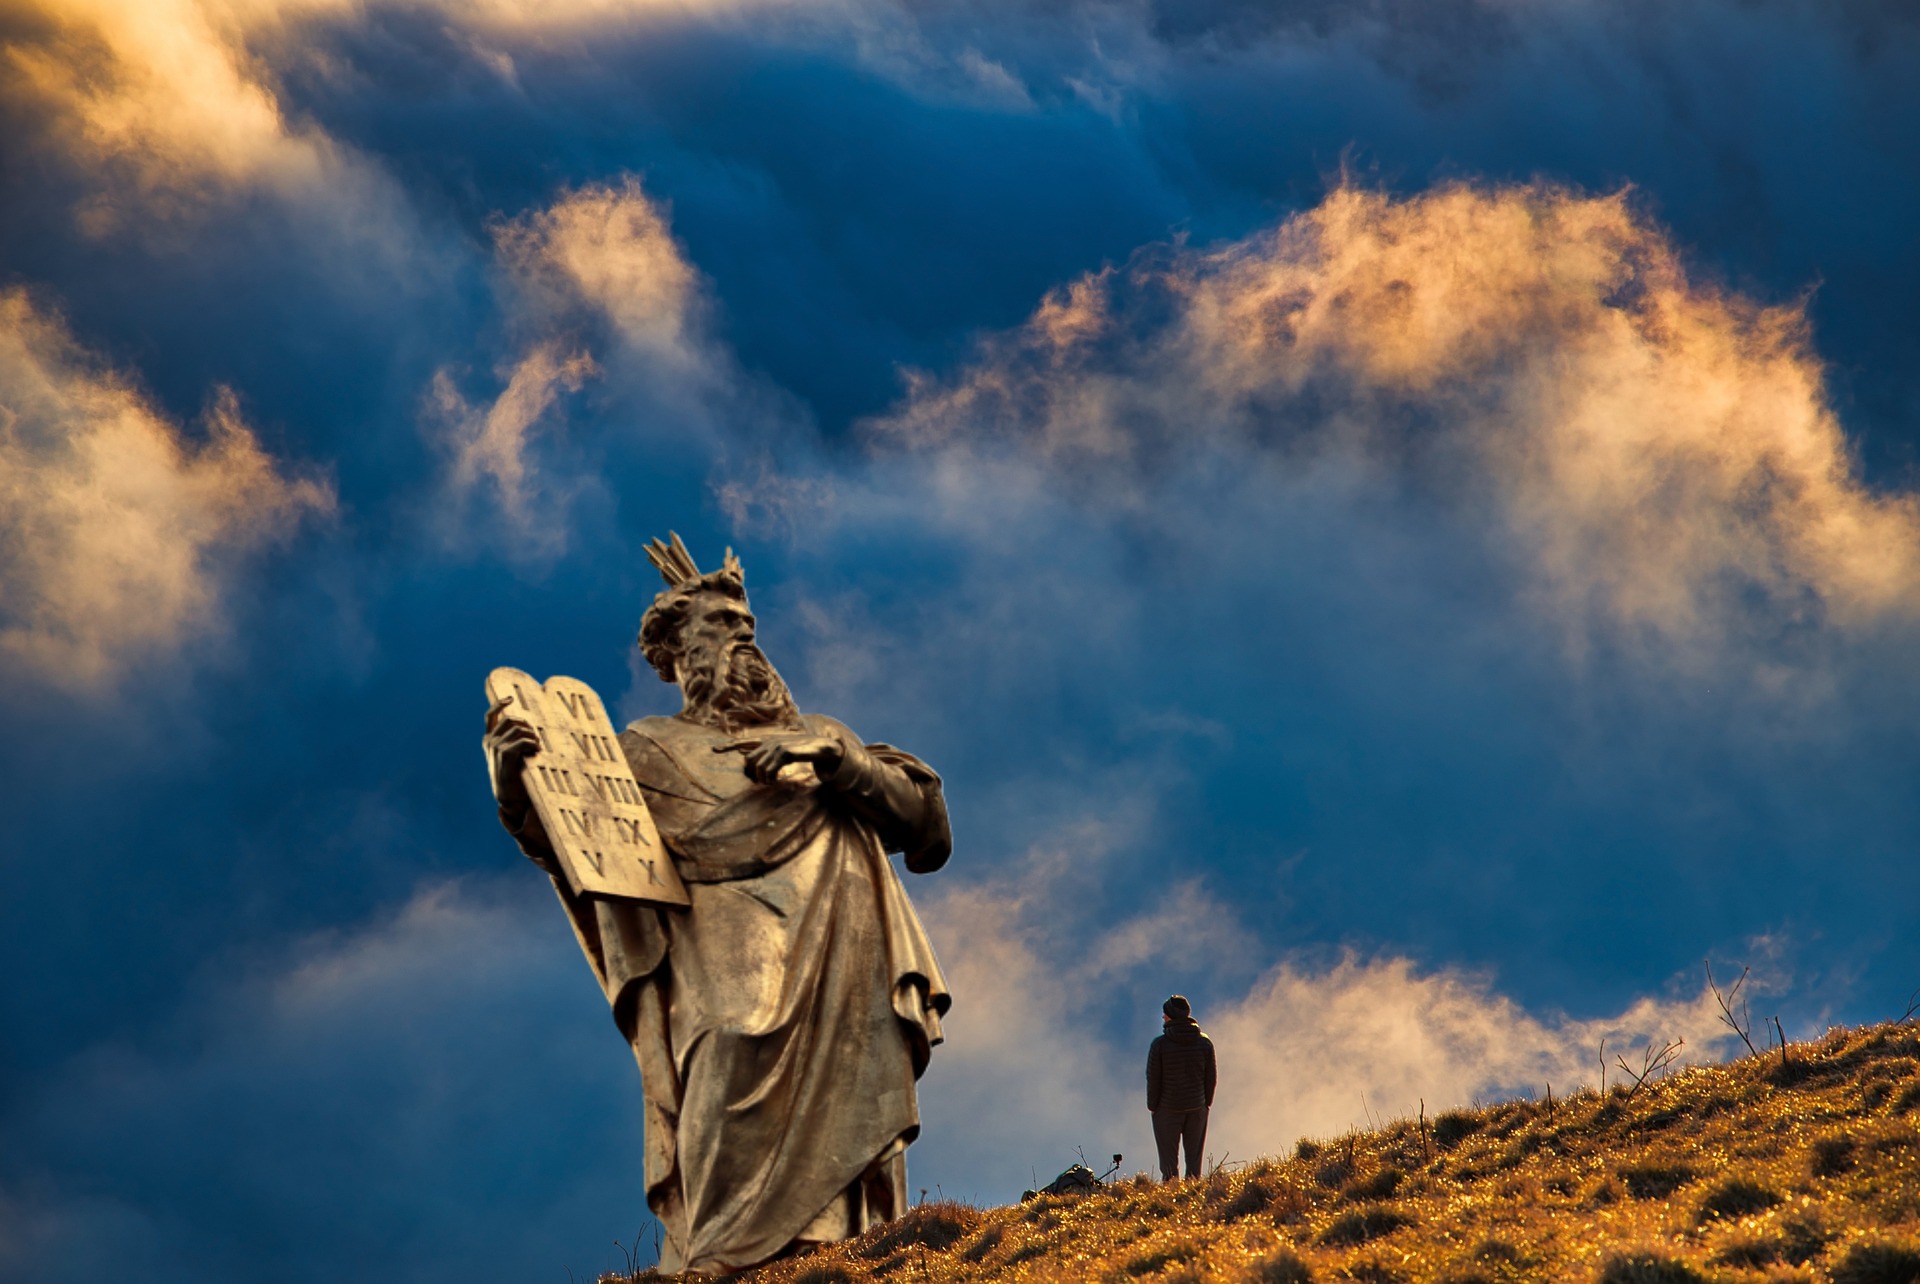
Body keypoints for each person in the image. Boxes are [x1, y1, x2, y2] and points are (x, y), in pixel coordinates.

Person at [482, 535, 952, 1274]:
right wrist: (516, 790)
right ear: (678, 653)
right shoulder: (647, 748)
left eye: (746, 621)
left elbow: (924, 826)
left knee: (853, 1076)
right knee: (727, 1045)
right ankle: (723, 1257)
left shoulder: (819, 737)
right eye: (721, 622)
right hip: (711, 933)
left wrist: (838, 765)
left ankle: (831, 1249)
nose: (742, 634)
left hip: (839, 938)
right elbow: (582, 844)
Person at [1146, 994, 1215, 1181]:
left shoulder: (1160, 1045)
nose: (1163, 1017)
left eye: (1165, 1014)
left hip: (1168, 1110)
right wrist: (1205, 1103)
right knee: (1194, 1162)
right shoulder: (1204, 1043)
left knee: (1169, 1165)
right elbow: (1211, 1078)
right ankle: (1193, 1194)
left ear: (1170, 1016)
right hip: (1197, 1108)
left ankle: (1171, 1196)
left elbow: (1153, 1079)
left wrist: (1154, 1107)